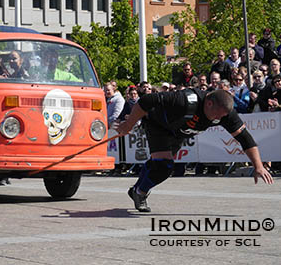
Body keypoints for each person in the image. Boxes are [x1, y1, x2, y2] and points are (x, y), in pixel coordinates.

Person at [115, 89, 273, 212]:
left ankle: (137, 190)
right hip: (158, 125)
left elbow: (245, 138)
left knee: (159, 164)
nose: (217, 120)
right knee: (164, 166)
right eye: (216, 116)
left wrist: (258, 166)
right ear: (209, 103)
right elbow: (145, 101)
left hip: (178, 132)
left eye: (222, 117)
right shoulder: (184, 100)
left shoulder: (225, 113)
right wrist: (128, 124)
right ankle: (140, 192)